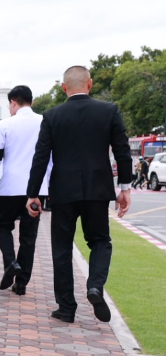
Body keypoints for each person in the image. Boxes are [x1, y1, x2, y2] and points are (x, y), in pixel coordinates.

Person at [26, 65, 131, 324]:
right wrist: (125, 188)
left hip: (63, 190)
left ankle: (66, 307)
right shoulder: (109, 111)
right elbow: (122, 150)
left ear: (64, 87)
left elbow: (41, 157)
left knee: (61, 247)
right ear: (90, 84)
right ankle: (94, 285)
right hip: (97, 188)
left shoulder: (52, 115)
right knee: (100, 241)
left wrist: (33, 194)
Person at [0, 86, 50, 295]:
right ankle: (21, 284)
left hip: (11, 187)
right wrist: (49, 185)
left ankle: (11, 261)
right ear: (31, 101)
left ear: (13, 102)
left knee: (2, 227)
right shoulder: (45, 121)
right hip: (37, 188)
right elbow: (51, 158)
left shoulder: (4, 124)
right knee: (29, 236)